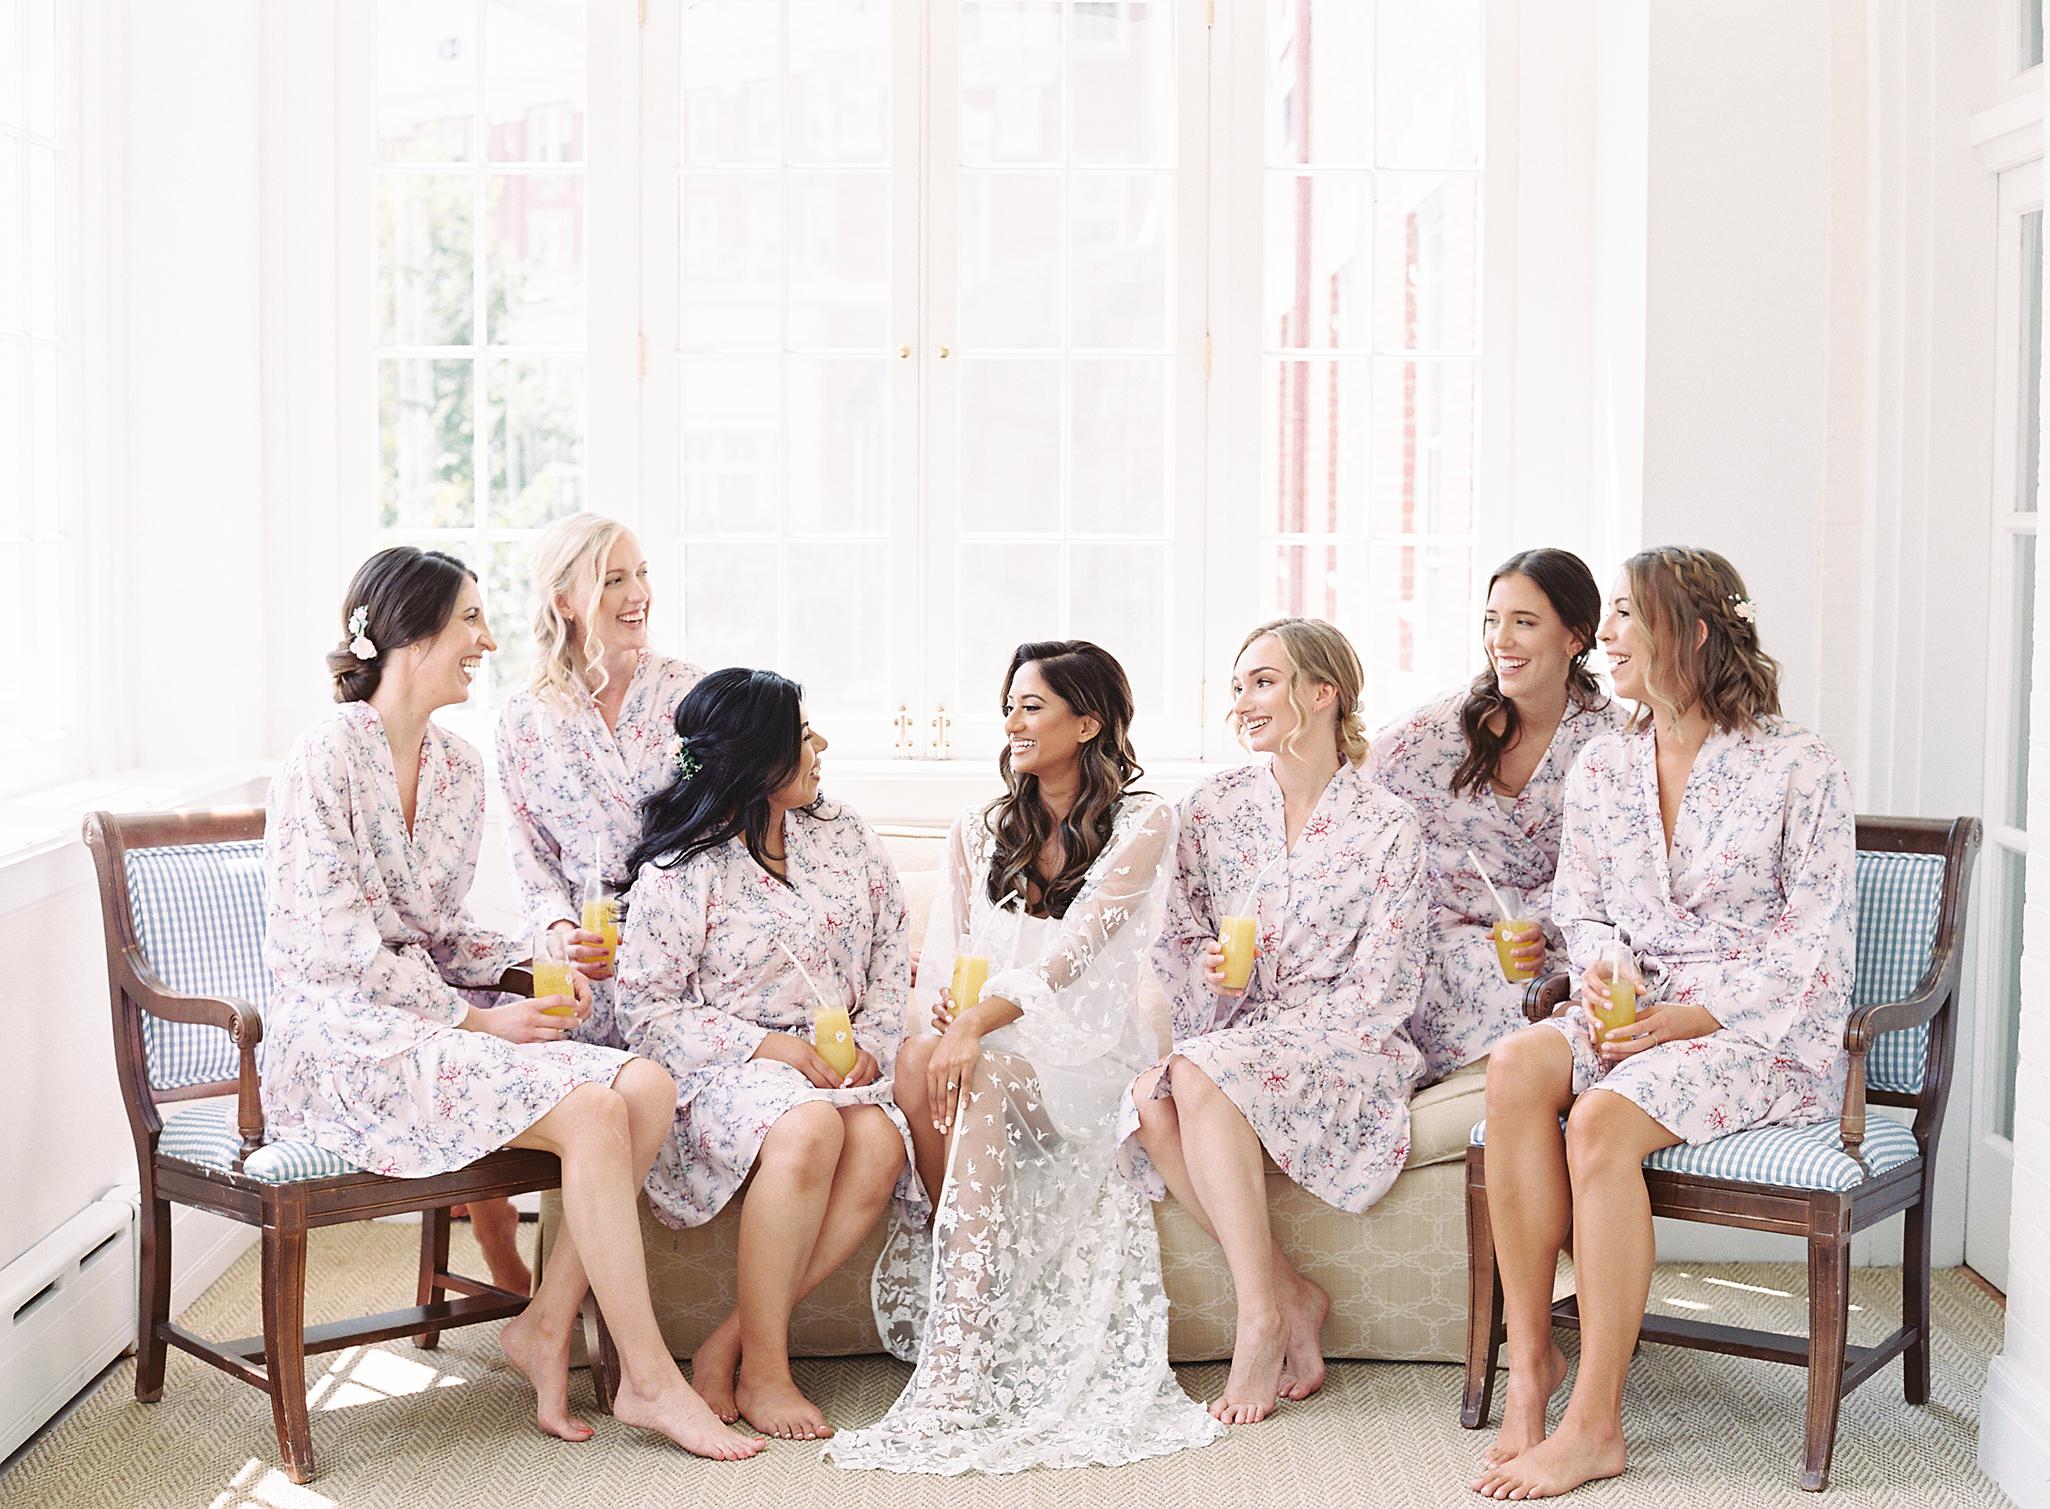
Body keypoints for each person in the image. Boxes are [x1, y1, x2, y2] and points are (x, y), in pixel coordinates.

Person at [261, 546, 760, 1459]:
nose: (488, 640)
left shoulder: (456, 767)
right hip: (341, 1037)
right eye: (468, 622)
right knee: (590, 1108)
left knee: (644, 1084)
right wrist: (481, 1019)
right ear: (410, 634)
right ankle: (650, 1378)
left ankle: (540, 1323)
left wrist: (536, 960)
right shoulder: (322, 758)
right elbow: (334, 950)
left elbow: (442, 932)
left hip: (428, 1020)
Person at [1470, 547, 1856, 1500]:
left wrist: (1693, 1015)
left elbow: (1816, 942)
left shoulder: (1799, 764)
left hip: (1753, 1029)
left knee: (1600, 1120)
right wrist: (1606, 975)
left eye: (1625, 617)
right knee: (1517, 1061)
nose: (1606, 636)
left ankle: (1598, 1422)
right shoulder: (1605, 763)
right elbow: (1585, 903)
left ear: (1690, 629)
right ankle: (1532, 1368)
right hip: (1635, 1004)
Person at [826, 642, 1222, 1474]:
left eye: (1032, 706)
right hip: (1000, 1042)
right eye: (1009, 704)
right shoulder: (978, 829)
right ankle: (967, 1265)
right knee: (915, 1058)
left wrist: (977, 1024)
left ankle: (958, 1359)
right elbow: (946, 967)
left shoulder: (1144, 820)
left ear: (1088, 722)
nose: (1013, 721)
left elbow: (1074, 955)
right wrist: (951, 1016)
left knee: (983, 1060)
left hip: (1088, 1059)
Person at [1121, 618, 1430, 1426]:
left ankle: (1258, 1318)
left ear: (1321, 692)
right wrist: (1222, 981)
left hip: (1348, 1046)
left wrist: (1263, 1035)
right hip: (1240, 1040)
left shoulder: (1388, 827)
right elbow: (1179, 940)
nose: (1243, 703)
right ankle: (1289, 1293)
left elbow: (1387, 986)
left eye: (1262, 681)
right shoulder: (1214, 808)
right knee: (1150, 1098)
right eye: (1238, 686)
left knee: (1195, 1072)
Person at [616, 668, 917, 1442]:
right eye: (802, 732)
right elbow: (646, 1012)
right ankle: (770, 1370)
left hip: (837, 1069)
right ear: (757, 755)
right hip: (722, 1076)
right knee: (810, 1125)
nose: (819, 744)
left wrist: (876, 1043)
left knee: (880, 1140)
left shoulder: (841, 831)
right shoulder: (682, 871)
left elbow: (891, 942)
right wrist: (767, 1046)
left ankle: (728, 1345)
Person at [471, 516, 703, 1295]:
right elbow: (530, 862)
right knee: (493, 1024)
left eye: (641, 574)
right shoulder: (523, 720)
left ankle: (566, 1297)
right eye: (613, 580)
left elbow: (718, 839)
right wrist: (563, 929)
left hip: (674, 950)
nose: (637, 595)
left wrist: (656, 925)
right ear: (567, 599)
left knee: (652, 1075)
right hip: (578, 953)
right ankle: (493, 1217)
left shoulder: (689, 695)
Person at [1367, 548, 1625, 1083]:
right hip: (1448, 949)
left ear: (1574, 638)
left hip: (1566, 950)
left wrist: (1546, 924)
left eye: (1524, 623)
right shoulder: (1433, 734)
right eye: (1492, 620)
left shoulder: (1614, 743)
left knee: (1588, 1003)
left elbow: (1625, 876)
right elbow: (1354, 808)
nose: (1500, 641)